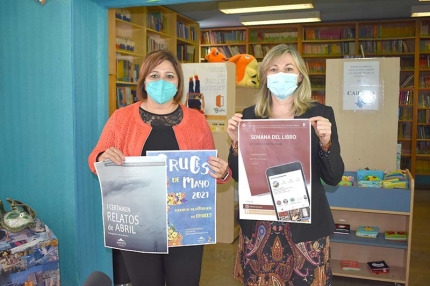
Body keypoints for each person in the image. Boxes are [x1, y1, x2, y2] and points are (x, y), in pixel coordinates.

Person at [88, 50, 231, 286]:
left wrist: (222, 172)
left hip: (185, 226)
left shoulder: (197, 120)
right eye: (154, 76)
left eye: (169, 76)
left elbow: (210, 173)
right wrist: (103, 156)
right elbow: (95, 159)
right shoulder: (121, 118)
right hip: (139, 226)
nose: (161, 82)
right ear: (144, 81)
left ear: (178, 82)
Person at [227, 44, 344, 286]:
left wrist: (326, 143)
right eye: (274, 68)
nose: (281, 74)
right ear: (264, 76)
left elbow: (333, 177)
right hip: (261, 226)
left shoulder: (320, 114)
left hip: (305, 230)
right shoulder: (249, 116)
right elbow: (239, 175)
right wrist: (236, 145)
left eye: (289, 68)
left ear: (300, 75)